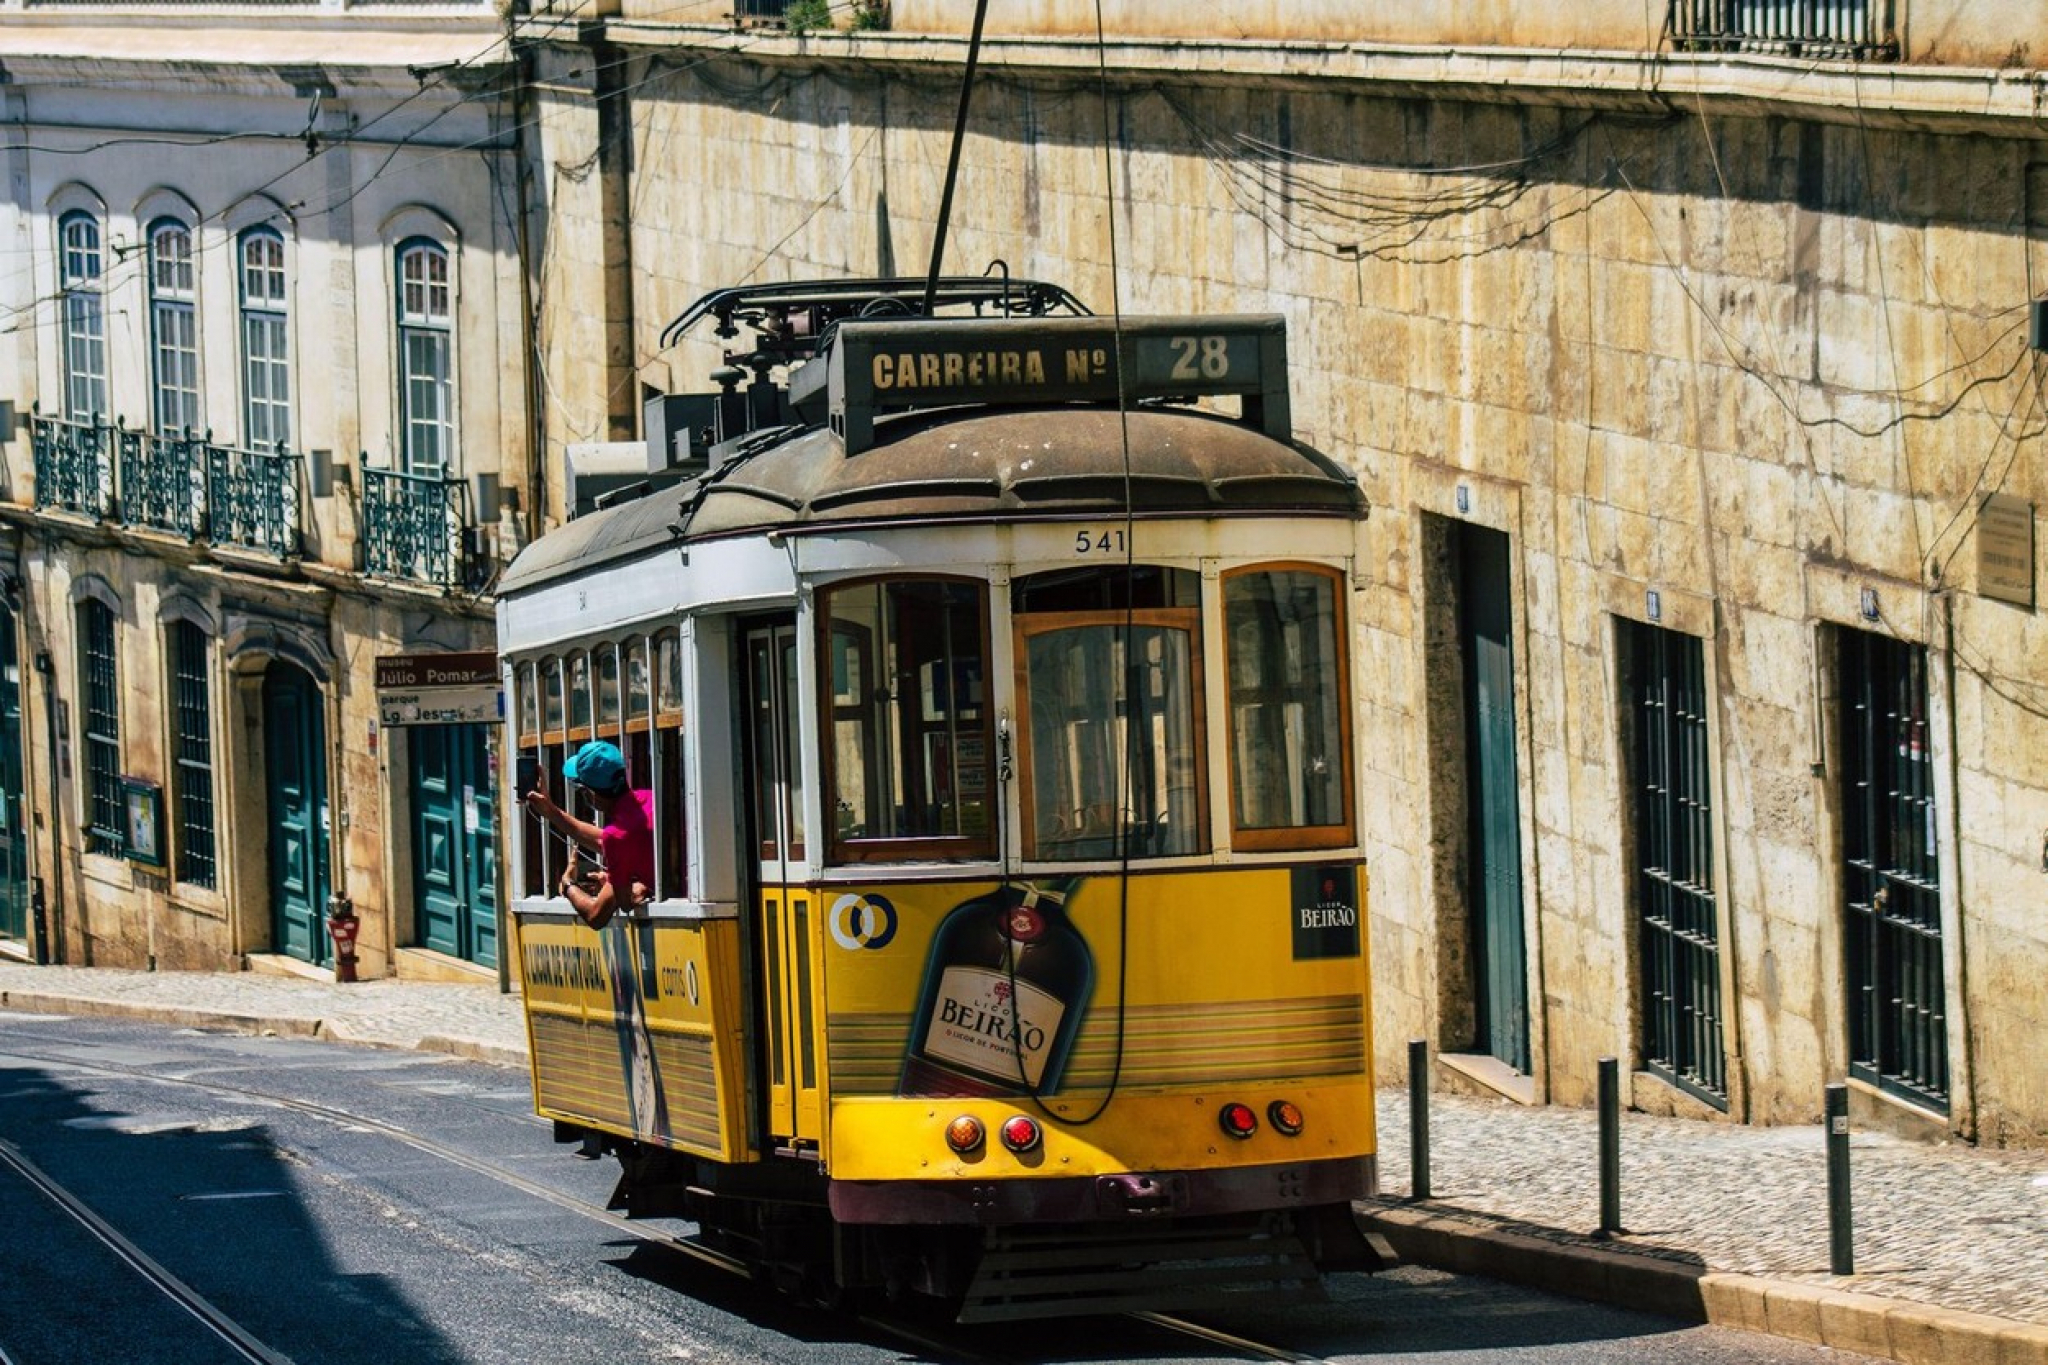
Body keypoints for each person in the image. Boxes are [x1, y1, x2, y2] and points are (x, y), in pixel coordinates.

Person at [524, 739, 654, 930]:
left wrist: (568, 885)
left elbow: (612, 909)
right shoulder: (650, 798)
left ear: (590, 793)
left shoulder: (616, 837)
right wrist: (552, 812)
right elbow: (615, 840)